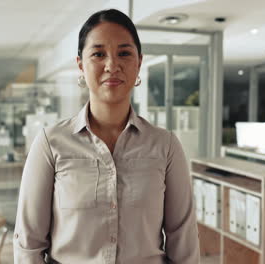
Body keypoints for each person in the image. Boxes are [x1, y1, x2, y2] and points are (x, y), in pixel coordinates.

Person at [14, 9, 200, 264]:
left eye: (124, 53)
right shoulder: (50, 143)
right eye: (98, 54)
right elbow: (28, 244)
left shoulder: (165, 146)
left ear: (139, 62)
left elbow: (184, 241)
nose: (112, 65)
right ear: (81, 64)